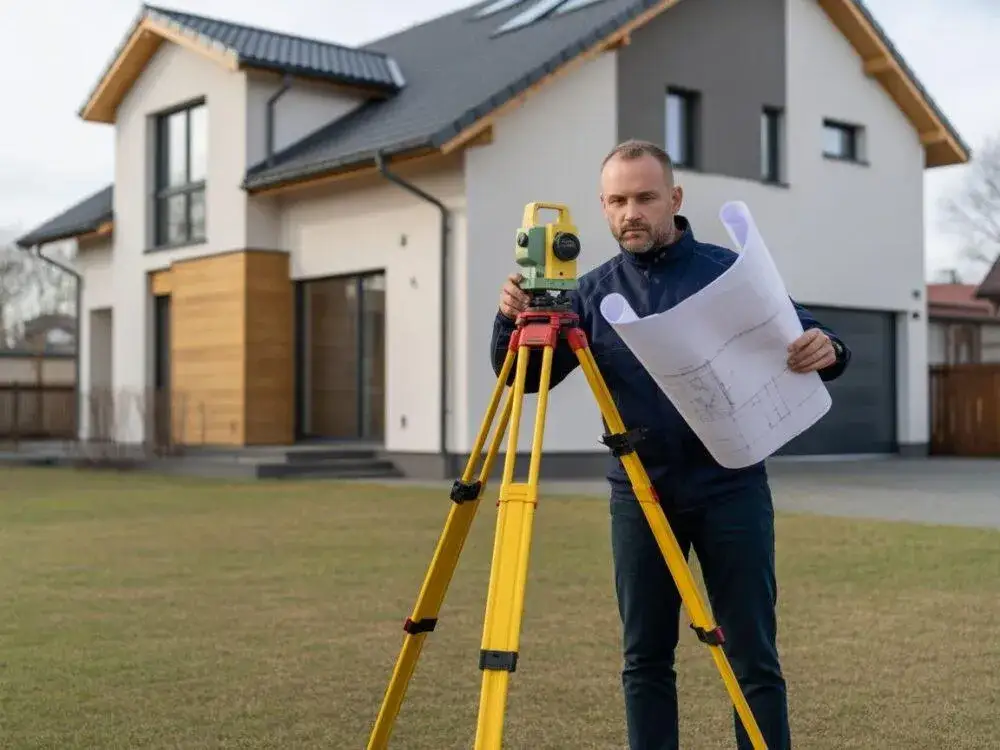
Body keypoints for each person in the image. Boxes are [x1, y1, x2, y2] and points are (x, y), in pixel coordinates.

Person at [489, 139, 851, 750]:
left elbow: (813, 335)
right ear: (602, 208)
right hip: (639, 494)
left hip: (730, 487)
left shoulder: (726, 271)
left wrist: (830, 348)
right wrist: (512, 319)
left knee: (753, 656)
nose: (631, 211)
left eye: (645, 197)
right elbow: (525, 379)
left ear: (675, 199)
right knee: (645, 659)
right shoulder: (585, 294)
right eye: (617, 200)